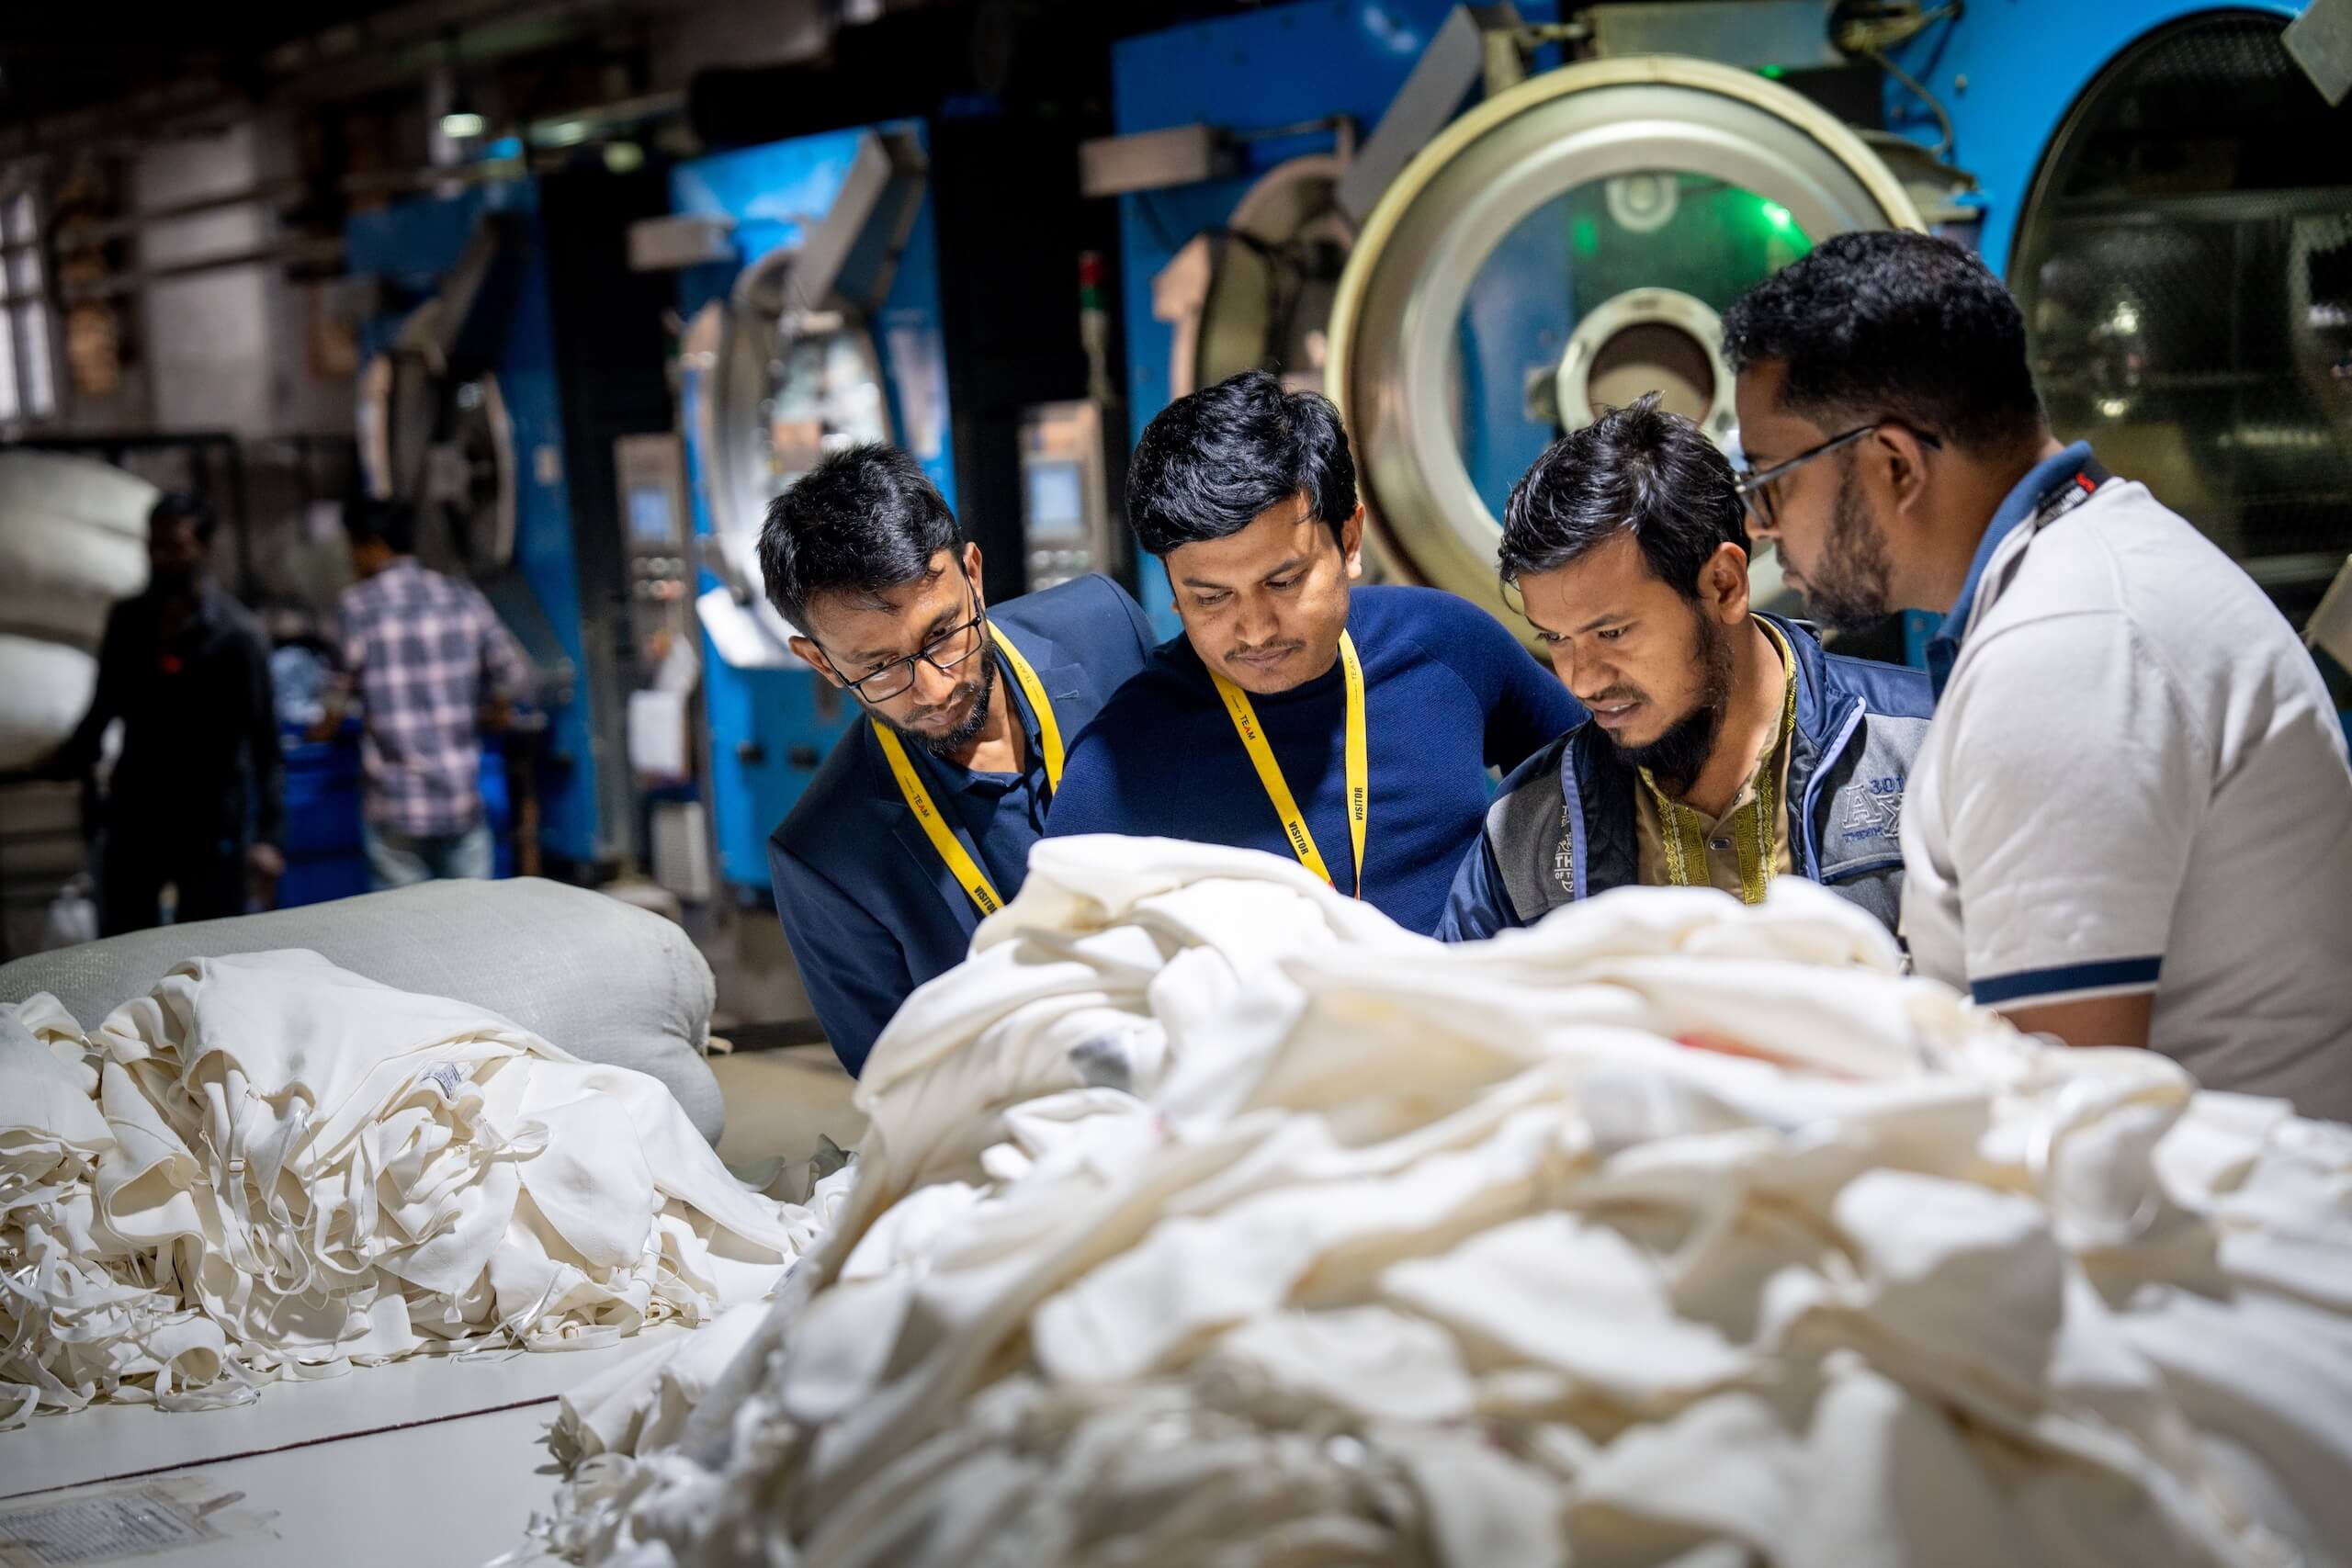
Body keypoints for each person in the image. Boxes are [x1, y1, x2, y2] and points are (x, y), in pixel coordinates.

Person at [1723, 230, 2352, 1119]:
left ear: (1894, 464)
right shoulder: (2078, 577)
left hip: (2221, 1245)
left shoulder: (2066, 649)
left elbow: (2066, 1127)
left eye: (1771, 482)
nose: (1759, 528)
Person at [1044, 370, 1583, 934]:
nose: (1254, 630)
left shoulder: (1445, 643)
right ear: (1173, 588)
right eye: (1210, 598)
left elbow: (1603, 780)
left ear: (1349, 542)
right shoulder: (1124, 758)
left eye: (1284, 583)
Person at [1440, 395, 1935, 941]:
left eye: (1612, 633)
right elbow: (1452, 1015)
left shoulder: (1929, 744)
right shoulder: (1524, 828)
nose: (1581, 680)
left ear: (1724, 585)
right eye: (1556, 638)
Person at [764, 446, 1158, 1076]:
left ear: (972, 572)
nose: (935, 689)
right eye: (880, 667)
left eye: (942, 634)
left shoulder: (1106, 630)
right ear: (820, 661)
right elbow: (904, 1095)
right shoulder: (827, 860)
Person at [43, 491, 283, 934]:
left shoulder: (236, 637)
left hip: (209, 823)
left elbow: (265, 741)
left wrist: (270, 836)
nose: (161, 558)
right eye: (154, 546)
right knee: (124, 944)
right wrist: (64, 759)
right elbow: (103, 708)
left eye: (175, 546)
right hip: (138, 816)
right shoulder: (130, 623)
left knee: (208, 952)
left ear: (204, 548)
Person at [324, 497, 529, 889]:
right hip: (460, 801)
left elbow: (335, 698)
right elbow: (511, 675)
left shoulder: (357, 607)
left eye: (352, 548)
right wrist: (495, 709)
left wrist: (322, 728)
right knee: (472, 928)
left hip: (394, 806)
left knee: (405, 936)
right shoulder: (461, 597)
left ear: (371, 545)